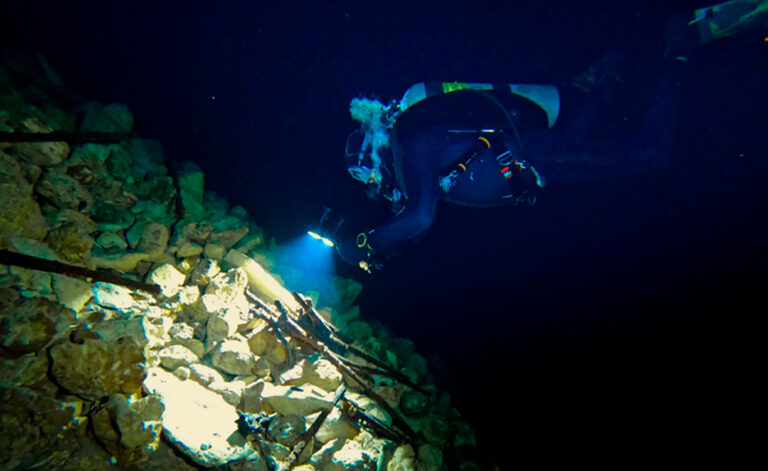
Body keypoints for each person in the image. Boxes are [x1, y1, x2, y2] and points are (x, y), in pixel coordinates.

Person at [335, 1, 766, 272]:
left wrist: (362, 244)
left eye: (364, 172)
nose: (371, 183)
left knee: (651, 156)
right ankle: (602, 82)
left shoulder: (410, 140)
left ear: (375, 146)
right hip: (537, 170)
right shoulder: (415, 167)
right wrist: (379, 251)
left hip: (533, 154)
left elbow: (420, 218)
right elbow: (417, 228)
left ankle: (679, 46)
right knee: (641, 154)